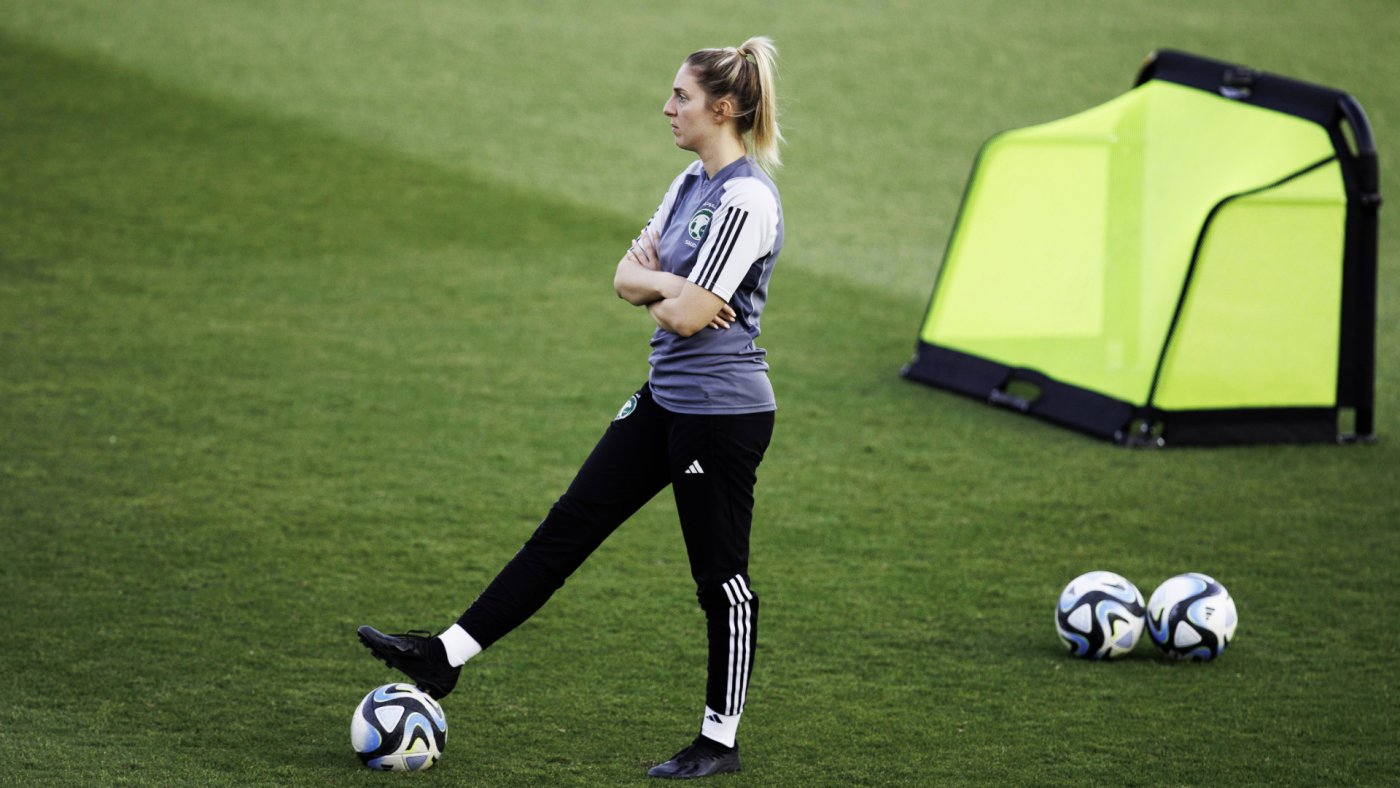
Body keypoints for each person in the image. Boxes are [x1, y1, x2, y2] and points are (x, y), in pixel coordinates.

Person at [358, 36, 784, 780]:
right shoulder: (690, 182)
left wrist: (667, 292)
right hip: (666, 398)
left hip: (720, 416)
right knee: (567, 528)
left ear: (722, 108)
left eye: (681, 96)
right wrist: (669, 288)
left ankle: (719, 742)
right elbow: (627, 278)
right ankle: (443, 656)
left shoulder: (747, 200)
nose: (667, 107)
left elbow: (689, 318)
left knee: (722, 581)